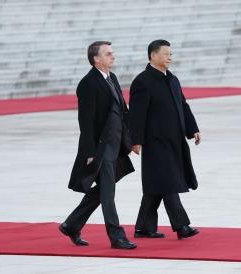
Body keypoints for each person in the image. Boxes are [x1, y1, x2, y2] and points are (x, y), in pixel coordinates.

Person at [59, 41, 137, 249]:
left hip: (116, 145)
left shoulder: (112, 78)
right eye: (109, 54)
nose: (113, 57)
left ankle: (71, 224)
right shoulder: (88, 83)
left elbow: (123, 112)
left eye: (113, 53)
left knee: (104, 189)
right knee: (107, 193)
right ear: (96, 58)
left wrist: (133, 140)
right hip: (101, 148)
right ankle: (117, 237)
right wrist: (90, 152)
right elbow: (85, 123)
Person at [129, 39, 201, 240]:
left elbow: (183, 106)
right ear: (153, 55)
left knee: (157, 185)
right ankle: (182, 226)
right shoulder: (143, 81)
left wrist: (193, 129)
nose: (170, 57)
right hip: (155, 142)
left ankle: (143, 227)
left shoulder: (172, 79)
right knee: (168, 182)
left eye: (171, 54)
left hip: (174, 140)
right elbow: (136, 114)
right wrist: (136, 140)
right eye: (166, 53)